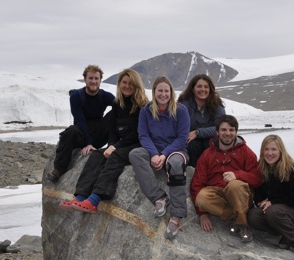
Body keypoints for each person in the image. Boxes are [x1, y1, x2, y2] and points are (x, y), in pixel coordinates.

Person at [59, 69, 149, 213]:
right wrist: (112, 144)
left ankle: (94, 200)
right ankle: (81, 197)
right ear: (119, 84)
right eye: (124, 83)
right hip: (121, 143)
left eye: (130, 83)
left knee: (115, 156)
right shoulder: (118, 104)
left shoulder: (143, 106)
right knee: (97, 155)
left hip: (138, 143)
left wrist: (115, 147)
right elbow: (112, 129)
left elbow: (138, 133)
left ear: (137, 85)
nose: (127, 86)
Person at [128, 76, 190, 240]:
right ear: (154, 92)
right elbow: (143, 135)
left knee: (176, 164)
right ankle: (159, 198)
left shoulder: (181, 110)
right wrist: (154, 154)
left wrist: (164, 155)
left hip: (176, 150)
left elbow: (182, 138)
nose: (163, 94)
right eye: (160, 91)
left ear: (171, 92)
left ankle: (176, 215)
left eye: (166, 91)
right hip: (153, 149)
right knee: (135, 154)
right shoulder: (146, 111)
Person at [190, 115, 261, 243]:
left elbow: (257, 178)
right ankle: (238, 214)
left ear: (236, 132)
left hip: (240, 193)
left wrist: (238, 175)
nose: (227, 133)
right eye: (223, 130)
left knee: (234, 186)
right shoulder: (207, 155)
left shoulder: (246, 152)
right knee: (201, 198)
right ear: (217, 132)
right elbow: (197, 184)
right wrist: (202, 214)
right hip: (217, 193)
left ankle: (243, 224)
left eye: (231, 130)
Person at [247, 134, 294, 254]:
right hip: (272, 212)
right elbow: (258, 192)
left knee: (273, 211)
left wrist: (273, 202)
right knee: (252, 216)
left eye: (273, 149)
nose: (269, 153)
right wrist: (261, 201)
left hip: (292, 211)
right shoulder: (261, 170)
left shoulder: (293, 171)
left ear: (280, 151)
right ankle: (286, 235)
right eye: (266, 149)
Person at [48, 65, 115, 182]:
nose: (93, 81)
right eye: (91, 78)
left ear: (100, 80)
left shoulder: (105, 95)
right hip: (81, 134)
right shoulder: (76, 96)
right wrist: (88, 143)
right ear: (85, 79)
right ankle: (58, 169)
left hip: (98, 134)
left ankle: (113, 149)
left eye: (96, 78)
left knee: (115, 113)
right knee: (71, 131)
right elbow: (80, 121)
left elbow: (122, 106)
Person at [177, 74, 225, 167]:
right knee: (192, 146)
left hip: (211, 140)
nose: (202, 89)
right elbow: (179, 126)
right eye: (199, 86)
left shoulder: (217, 105)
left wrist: (198, 133)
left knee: (211, 144)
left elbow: (221, 128)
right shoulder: (184, 105)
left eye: (206, 87)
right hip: (190, 142)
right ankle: (192, 175)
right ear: (193, 89)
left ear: (210, 89)